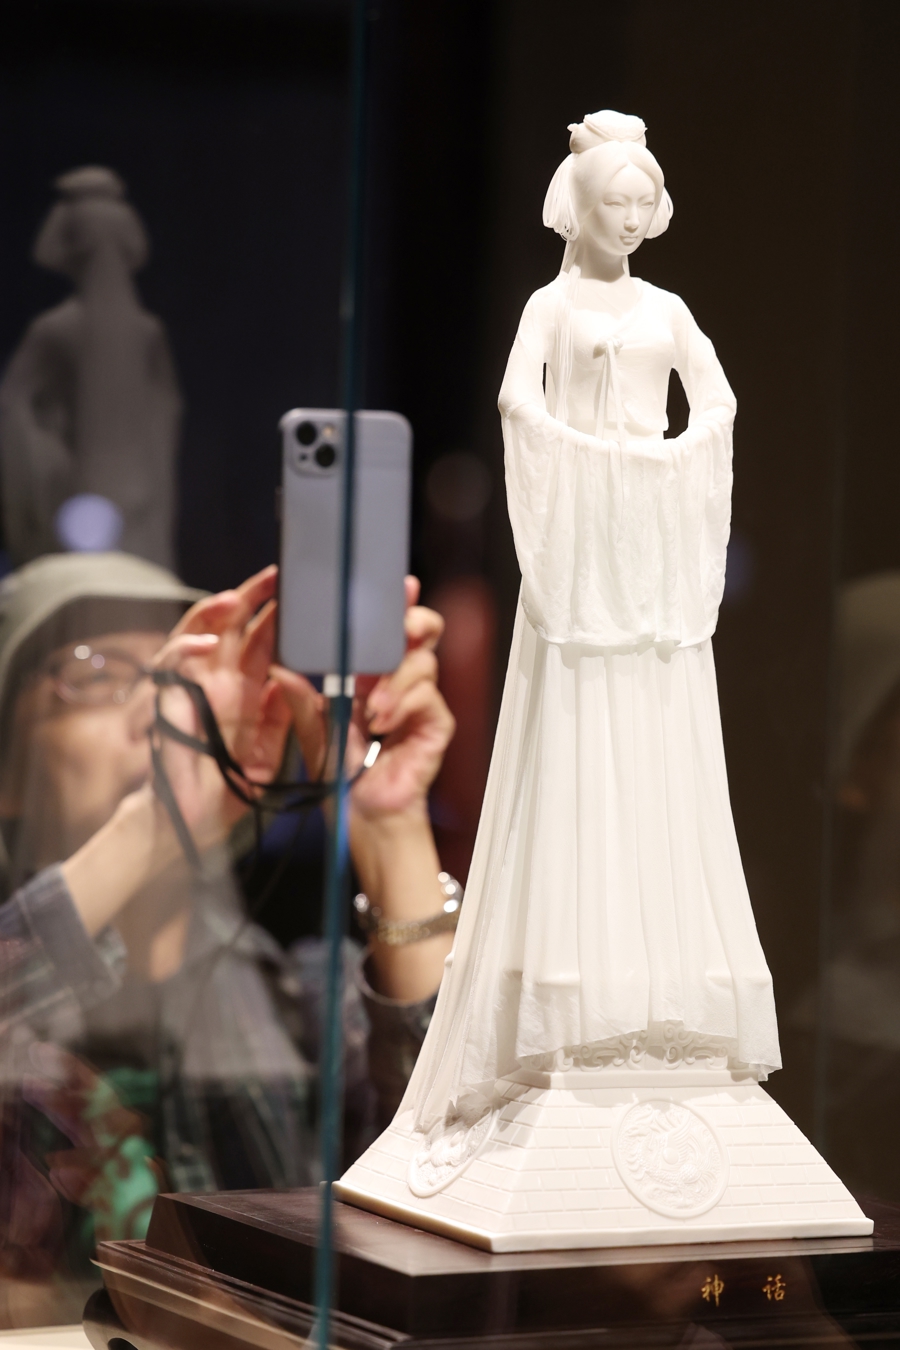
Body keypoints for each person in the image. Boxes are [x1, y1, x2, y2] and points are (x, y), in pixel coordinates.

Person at [401, 109, 780, 1135]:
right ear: (580, 205)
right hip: (580, 543)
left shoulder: (668, 309)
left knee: (659, 740)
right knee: (573, 741)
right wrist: (583, 453)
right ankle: (568, 991)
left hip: (647, 542)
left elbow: (718, 403)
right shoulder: (551, 306)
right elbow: (516, 402)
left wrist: (666, 457)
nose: (628, 218)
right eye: (613, 201)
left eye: (640, 203)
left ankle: (664, 989)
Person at [0, 550, 455, 1295]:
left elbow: (470, 1157)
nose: (158, 710)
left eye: (182, 679)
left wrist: (390, 824)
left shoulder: (303, 1004)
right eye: (97, 673)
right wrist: (154, 820)